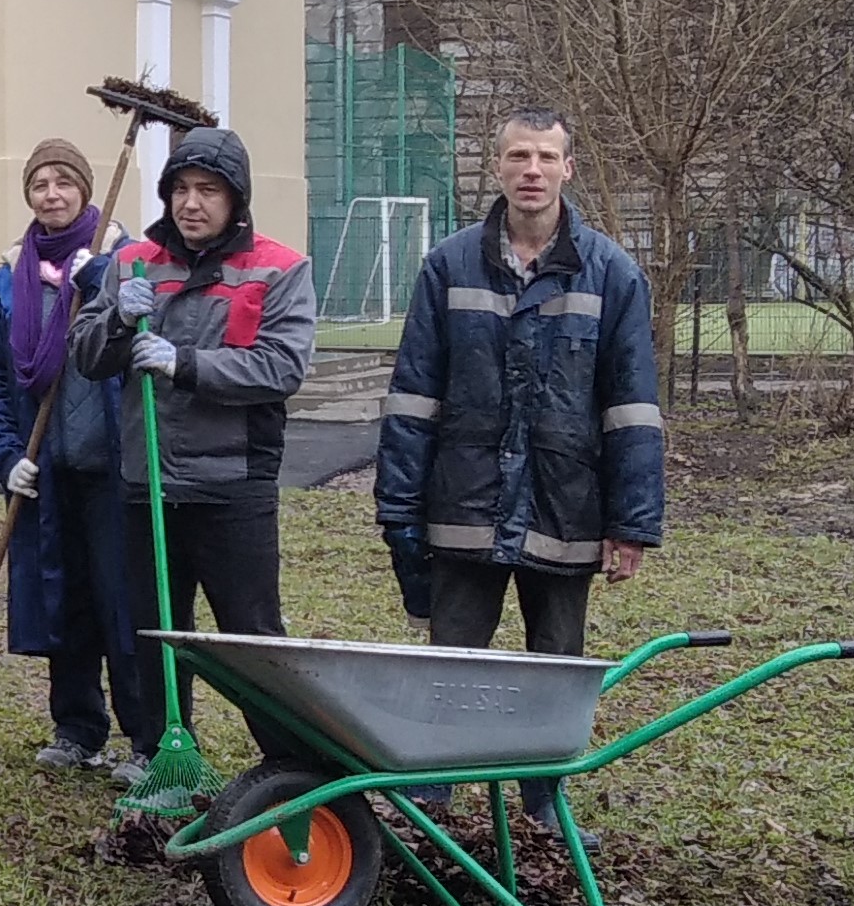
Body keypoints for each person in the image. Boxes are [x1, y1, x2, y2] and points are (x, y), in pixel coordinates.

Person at [377, 105, 663, 666]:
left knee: (555, 675)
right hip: (465, 508)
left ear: (568, 169)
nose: (533, 169)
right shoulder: (448, 266)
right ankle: (453, 758)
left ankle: (542, 758)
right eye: (519, 156)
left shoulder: (612, 273)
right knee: (451, 676)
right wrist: (400, 508)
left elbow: (631, 407)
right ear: (498, 168)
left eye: (546, 157)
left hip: (566, 511)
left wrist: (631, 525)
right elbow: (413, 397)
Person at [70, 125, 316, 769]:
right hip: (145, 476)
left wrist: (186, 364)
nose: (192, 204)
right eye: (180, 189)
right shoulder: (132, 264)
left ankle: (289, 762)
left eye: (208, 190)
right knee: (154, 629)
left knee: (250, 636)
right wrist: (119, 319)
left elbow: (281, 367)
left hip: (233, 483)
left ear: (236, 199)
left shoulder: (280, 267)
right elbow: (88, 357)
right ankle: (161, 753)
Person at [0, 137, 142, 774]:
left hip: (116, 470)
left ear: (86, 191)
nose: (52, 195)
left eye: (64, 183)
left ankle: (144, 738)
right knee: (62, 599)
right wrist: (4, 454)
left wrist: (112, 290)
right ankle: (77, 728)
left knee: (121, 602)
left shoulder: (124, 263)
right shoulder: (9, 280)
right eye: (40, 185)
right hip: (48, 472)